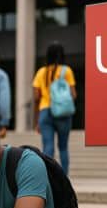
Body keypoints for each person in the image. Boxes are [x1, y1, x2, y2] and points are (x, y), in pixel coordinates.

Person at [32, 42, 76, 175]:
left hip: (45, 111)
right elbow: (73, 94)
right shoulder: (66, 71)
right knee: (63, 148)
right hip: (63, 113)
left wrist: (37, 120)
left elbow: (36, 97)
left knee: (48, 147)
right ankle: (64, 179)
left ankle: (48, 178)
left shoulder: (41, 72)